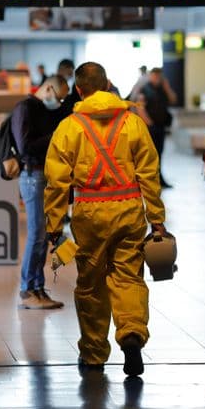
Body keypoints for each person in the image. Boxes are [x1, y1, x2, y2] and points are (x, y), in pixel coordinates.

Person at [44, 62, 167, 376]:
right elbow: (149, 174)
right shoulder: (133, 122)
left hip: (90, 215)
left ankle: (94, 353)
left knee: (91, 285)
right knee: (128, 278)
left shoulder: (69, 127)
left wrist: (54, 225)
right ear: (109, 84)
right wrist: (156, 219)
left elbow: (56, 183)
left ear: (79, 90)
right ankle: (131, 336)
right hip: (129, 211)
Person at [11, 75, 71, 309]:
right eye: (59, 96)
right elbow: (25, 146)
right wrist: (55, 136)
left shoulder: (44, 110)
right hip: (32, 175)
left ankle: (37, 287)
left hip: (45, 175)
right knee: (36, 234)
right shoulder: (25, 108)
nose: (60, 101)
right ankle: (27, 290)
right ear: (47, 88)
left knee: (44, 234)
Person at [138, 67, 177, 188]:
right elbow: (140, 107)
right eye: (155, 76)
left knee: (160, 153)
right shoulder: (145, 89)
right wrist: (149, 123)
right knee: (151, 155)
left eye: (159, 76)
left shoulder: (163, 89)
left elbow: (173, 100)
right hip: (151, 127)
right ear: (150, 76)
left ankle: (159, 178)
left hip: (161, 126)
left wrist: (167, 87)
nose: (157, 79)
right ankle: (150, 180)